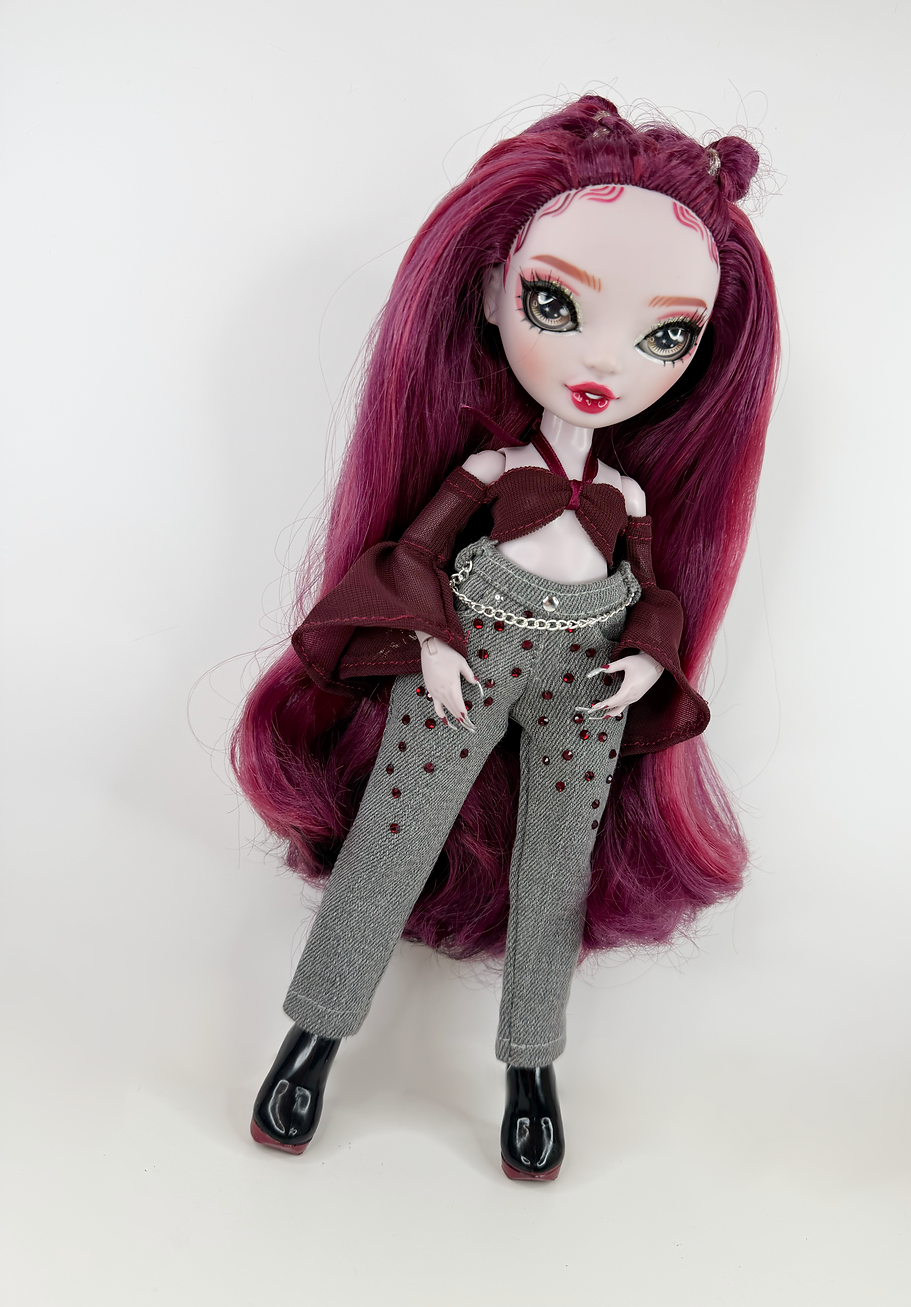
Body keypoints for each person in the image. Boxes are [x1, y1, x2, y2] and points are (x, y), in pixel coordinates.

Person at [233, 96, 779, 1181]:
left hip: (589, 672)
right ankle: (310, 1041)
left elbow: (653, 592)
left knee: (557, 865)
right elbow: (414, 553)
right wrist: (429, 643)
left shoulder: (628, 496)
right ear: (493, 292)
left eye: (666, 334)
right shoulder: (492, 471)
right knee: (393, 838)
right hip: (470, 651)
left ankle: (532, 1067)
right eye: (555, 302)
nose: (606, 360)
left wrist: (644, 658)